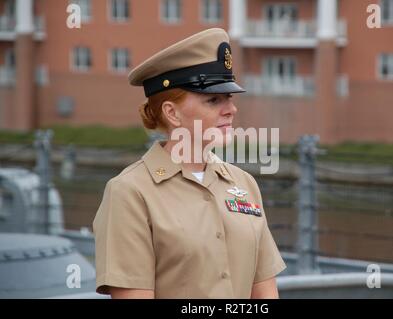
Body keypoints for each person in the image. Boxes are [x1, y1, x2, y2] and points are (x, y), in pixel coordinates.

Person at [93, 28, 286, 299]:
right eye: (213, 99)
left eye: (229, 97)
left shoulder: (244, 184)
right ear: (172, 113)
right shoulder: (130, 193)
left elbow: (265, 294)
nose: (231, 109)